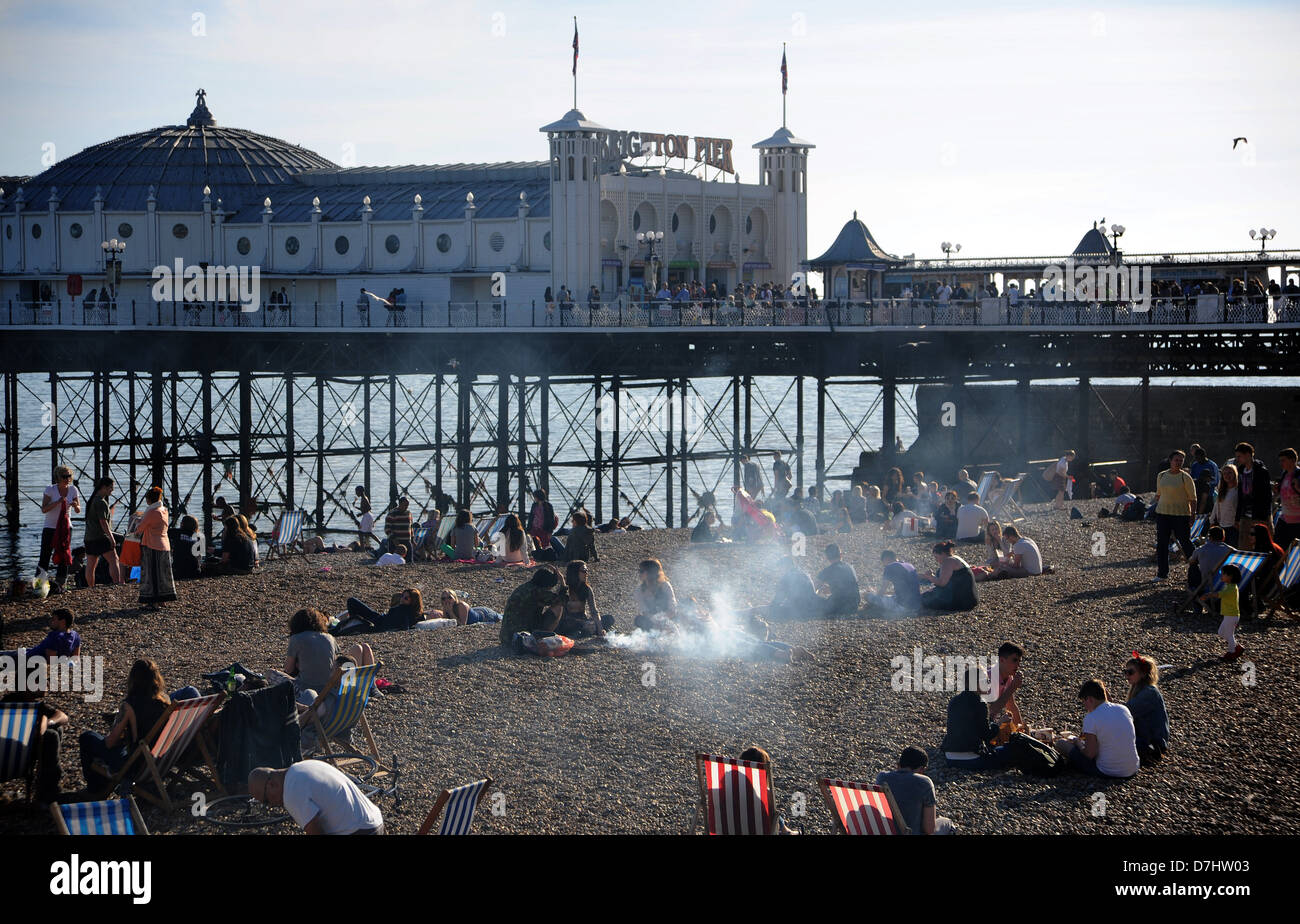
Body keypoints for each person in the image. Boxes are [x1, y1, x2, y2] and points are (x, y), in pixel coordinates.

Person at [79, 659, 170, 793]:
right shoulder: (165, 703)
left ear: (133, 679)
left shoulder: (129, 705)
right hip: (160, 761)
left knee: (87, 737)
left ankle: (95, 789)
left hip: (135, 767)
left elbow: (110, 743)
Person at [248, 760, 384, 835]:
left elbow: (316, 831)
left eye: (266, 800)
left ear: (272, 785)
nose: (271, 805)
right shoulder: (304, 766)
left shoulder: (291, 791)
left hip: (358, 831)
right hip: (375, 821)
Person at [1058, 679, 1140, 779]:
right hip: (1132, 768)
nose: (1085, 707)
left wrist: (1077, 743)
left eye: (1084, 703)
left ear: (1089, 699)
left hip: (1107, 771)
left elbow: (1090, 754)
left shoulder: (1092, 717)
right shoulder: (1123, 709)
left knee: (1061, 744)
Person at [875, 747, 955, 835]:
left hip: (884, 831)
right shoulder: (924, 782)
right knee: (947, 823)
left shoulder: (882, 777)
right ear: (922, 769)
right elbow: (929, 829)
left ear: (898, 765)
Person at [1152, 450, 1196, 582]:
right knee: (1162, 544)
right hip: (1163, 514)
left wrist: (1192, 515)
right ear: (1170, 461)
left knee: (1185, 542)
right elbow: (1158, 494)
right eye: (1176, 460)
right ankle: (1162, 573)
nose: (1178, 462)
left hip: (1181, 514)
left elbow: (1193, 498)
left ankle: (1196, 569)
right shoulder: (1161, 476)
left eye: (1181, 460)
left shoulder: (1185, 477)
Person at [38, 464, 80, 591]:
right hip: (50, 527)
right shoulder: (50, 489)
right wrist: (57, 502)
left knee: (64, 555)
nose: (67, 478)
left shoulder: (73, 490)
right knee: (45, 555)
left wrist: (74, 505)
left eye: (69, 476)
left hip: (66, 527)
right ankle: (40, 584)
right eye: (64, 476)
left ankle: (60, 584)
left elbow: (78, 509)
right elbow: (44, 509)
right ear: (58, 477)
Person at [500, 567, 567, 646]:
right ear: (546, 585)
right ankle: (543, 637)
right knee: (558, 607)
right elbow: (563, 601)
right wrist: (562, 582)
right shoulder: (537, 592)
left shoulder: (525, 587)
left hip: (506, 636)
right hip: (522, 637)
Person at [1124, 653, 1170, 763]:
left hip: (1153, 744)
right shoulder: (1141, 691)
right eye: (1125, 672)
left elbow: (1125, 712)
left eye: (1130, 672)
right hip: (1147, 740)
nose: (1127, 675)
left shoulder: (1150, 693)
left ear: (1143, 673)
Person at [137, 486, 176, 607]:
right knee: (163, 574)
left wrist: (137, 519)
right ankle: (162, 600)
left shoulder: (151, 512)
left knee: (151, 574)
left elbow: (139, 529)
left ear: (149, 500)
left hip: (152, 545)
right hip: (165, 544)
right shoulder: (164, 510)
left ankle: (152, 602)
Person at [82, 476, 122, 587]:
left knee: (91, 564)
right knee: (114, 560)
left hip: (89, 537)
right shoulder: (101, 502)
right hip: (100, 537)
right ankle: (117, 583)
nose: (112, 490)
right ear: (104, 487)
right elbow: (103, 522)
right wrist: (111, 537)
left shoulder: (92, 500)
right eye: (111, 488)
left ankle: (91, 587)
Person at [919, 541, 979, 611]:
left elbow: (942, 583)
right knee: (927, 595)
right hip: (971, 599)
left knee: (923, 599)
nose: (936, 560)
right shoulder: (956, 558)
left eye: (936, 557)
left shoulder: (948, 561)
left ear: (943, 554)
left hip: (960, 602)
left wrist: (930, 576)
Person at [1233, 442, 1271, 551]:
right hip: (1245, 515)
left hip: (1258, 514)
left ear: (1248, 454)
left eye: (1239, 456)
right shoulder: (1240, 471)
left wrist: (1264, 515)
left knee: (1260, 545)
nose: (1238, 459)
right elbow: (1240, 495)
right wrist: (1237, 517)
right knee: (1244, 545)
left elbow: (1267, 495)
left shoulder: (1261, 471)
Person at [340, 587, 424, 633]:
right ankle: (352, 620)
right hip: (379, 620)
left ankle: (352, 622)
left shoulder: (402, 610)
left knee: (351, 601)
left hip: (377, 622)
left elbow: (403, 626)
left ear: (412, 601)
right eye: (402, 596)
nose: (402, 599)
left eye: (406, 598)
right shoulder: (415, 613)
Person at [559, 560, 609, 636]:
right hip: (568, 622)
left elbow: (594, 610)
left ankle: (590, 630)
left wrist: (600, 628)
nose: (586, 573)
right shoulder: (566, 589)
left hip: (583, 620)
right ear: (575, 573)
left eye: (587, 570)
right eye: (584, 571)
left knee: (609, 619)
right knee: (578, 630)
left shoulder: (586, 589)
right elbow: (561, 613)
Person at [1188, 525, 1234, 606]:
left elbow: (1191, 561)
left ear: (1210, 537)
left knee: (1192, 568)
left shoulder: (1200, 549)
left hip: (1207, 588)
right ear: (1223, 538)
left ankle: (1196, 602)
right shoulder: (1231, 551)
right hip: (1227, 587)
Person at [866, 549, 921, 616]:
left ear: (886, 559)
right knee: (890, 596)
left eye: (883, 563)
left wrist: (874, 595)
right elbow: (906, 589)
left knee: (867, 596)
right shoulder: (909, 565)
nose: (884, 566)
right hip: (917, 605)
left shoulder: (889, 567)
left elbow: (883, 589)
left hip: (903, 607)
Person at [814, 543, 860, 615]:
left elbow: (814, 588)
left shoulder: (827, 571)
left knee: (818, 602)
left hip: (840, 606)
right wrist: (831, 589)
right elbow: (846, 586)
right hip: (854, 604)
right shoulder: (849, 567)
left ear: (827, 557)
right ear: (841, 555)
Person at [633, 558, 678, 630]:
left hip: (667, 618)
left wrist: (663, 618)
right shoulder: (639, 590)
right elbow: (644, 610)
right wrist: (654, 619)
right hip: (651, 622)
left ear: (649, 573)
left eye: (641, 571)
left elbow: (672, 607)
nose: (639, 574)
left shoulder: (665, 586)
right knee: (639, 620)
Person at [1276, 448, 1300, 549]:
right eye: (1280, 460)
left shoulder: (1299, 475)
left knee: (1294, 551)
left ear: (1293, 460)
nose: (1281, 463)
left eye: (1284, 460)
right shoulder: (1284, 474)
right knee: (1279, 548)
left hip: (1297, 522)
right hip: (1285, 519)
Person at [1211, 463, 1240, 545]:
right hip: (1221, 526)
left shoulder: (1238, 490)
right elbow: (1217, 506)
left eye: (1230, 473)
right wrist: (1212, 520)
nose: (1227, 475)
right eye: (1224, 473)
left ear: (1235, 474)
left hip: (1234, 526)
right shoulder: (1222, 490)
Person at [1188, 446, 1220, 516]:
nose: (1198, 460)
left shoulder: (1212, 465)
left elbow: (1216, 481)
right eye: (1196, 458)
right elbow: (1191, 479)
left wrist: (1204, 483)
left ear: (1204, 456)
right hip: (1197, 496)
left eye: (1199, 458)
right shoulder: (1194, 465)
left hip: (1208, 496)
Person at [172, 515, 202, 580]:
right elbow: (199, 555)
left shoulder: (176, 532)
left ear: (182, 524)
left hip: (179, 571)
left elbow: (163, 532)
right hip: (195, 571)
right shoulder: (198, 537)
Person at [384, 496, 414, 562]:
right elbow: (387, 529)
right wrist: (393, 538)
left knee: (409, 560)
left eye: (407, 505)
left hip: (407, 541)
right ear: (400, 504)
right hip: (396, 541)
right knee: (394, 561)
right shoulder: (392, 513)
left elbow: (411, 526)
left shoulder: (409, 513)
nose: (406, 506)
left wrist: (412, 538)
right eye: (405, 505)